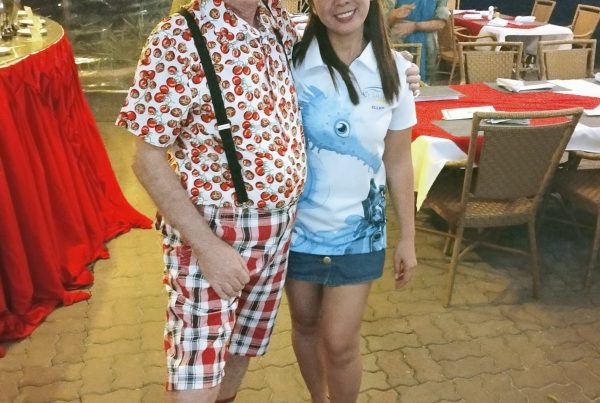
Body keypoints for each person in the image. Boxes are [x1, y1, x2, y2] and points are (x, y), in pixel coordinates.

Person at [117, 0, 420, 402]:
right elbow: (145, 157)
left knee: (239, 352)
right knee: (197, 375)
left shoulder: (277, 24)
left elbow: (346, 33)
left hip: (281, 238)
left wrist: (399, 66)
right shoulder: (178, 37)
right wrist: (206, 246)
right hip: (216, 235)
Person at [284, 0, 418, 402]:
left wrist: (407, 238)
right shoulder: (289, 63)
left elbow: (398, 160)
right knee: (305, 325)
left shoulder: (395, 70)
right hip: (296, 231)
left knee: (340, 342)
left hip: (360, 235)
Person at [384, 0, 450, 83]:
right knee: (396, 80)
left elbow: (441, 23)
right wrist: (393, 15)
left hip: (428, 47)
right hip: (398, 45)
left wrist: (415, 26)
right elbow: (381, 22)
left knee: (425, 83)